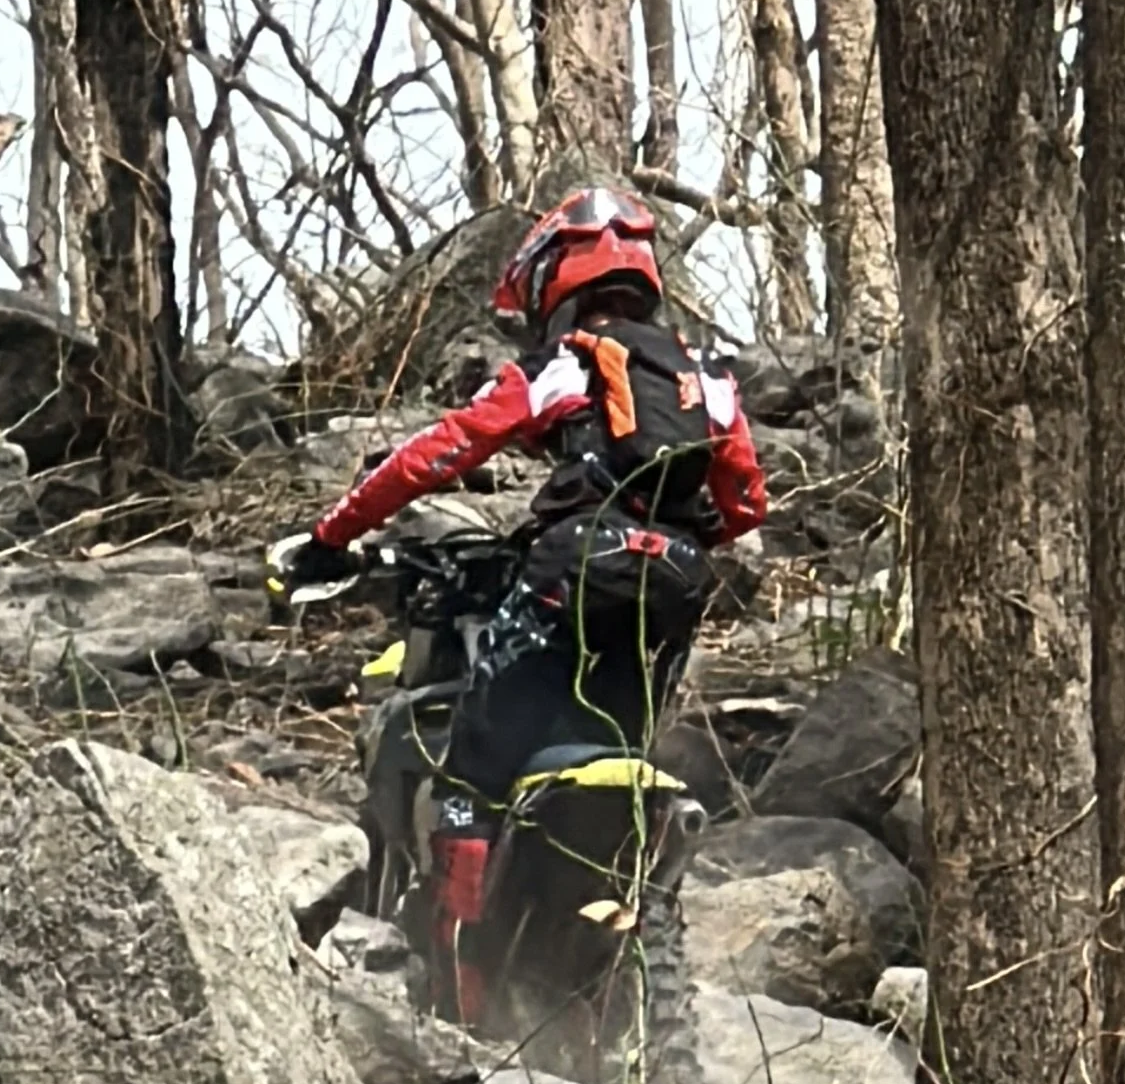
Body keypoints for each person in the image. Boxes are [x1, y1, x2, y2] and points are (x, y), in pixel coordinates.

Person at [271, 188, 766, 989]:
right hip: (675, 584)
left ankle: (457, 993)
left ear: (552, 281)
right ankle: (624, 959)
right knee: (621, 738)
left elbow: (448, 447)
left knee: (475, 767)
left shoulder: (567, 363)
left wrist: (332, 536)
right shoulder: (705, 376)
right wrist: (670, 537)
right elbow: (747, 503)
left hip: (566, 572)